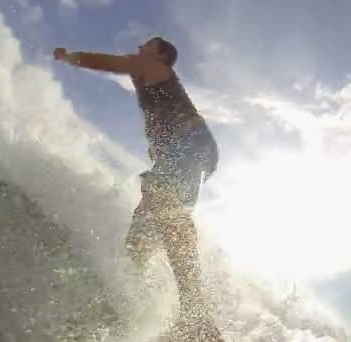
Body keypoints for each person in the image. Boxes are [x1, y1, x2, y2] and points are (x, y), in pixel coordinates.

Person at [54, 37, 221, 340]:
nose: (139, 47)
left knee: (162, 202)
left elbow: (107, 62)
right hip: (190, 151)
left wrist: (69, 57)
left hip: (186, 144)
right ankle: (137, 315)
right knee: (140, 241)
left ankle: (196, 316)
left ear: (159, 54)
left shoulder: (148, 64)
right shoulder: (151, 74)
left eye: (147, 44)